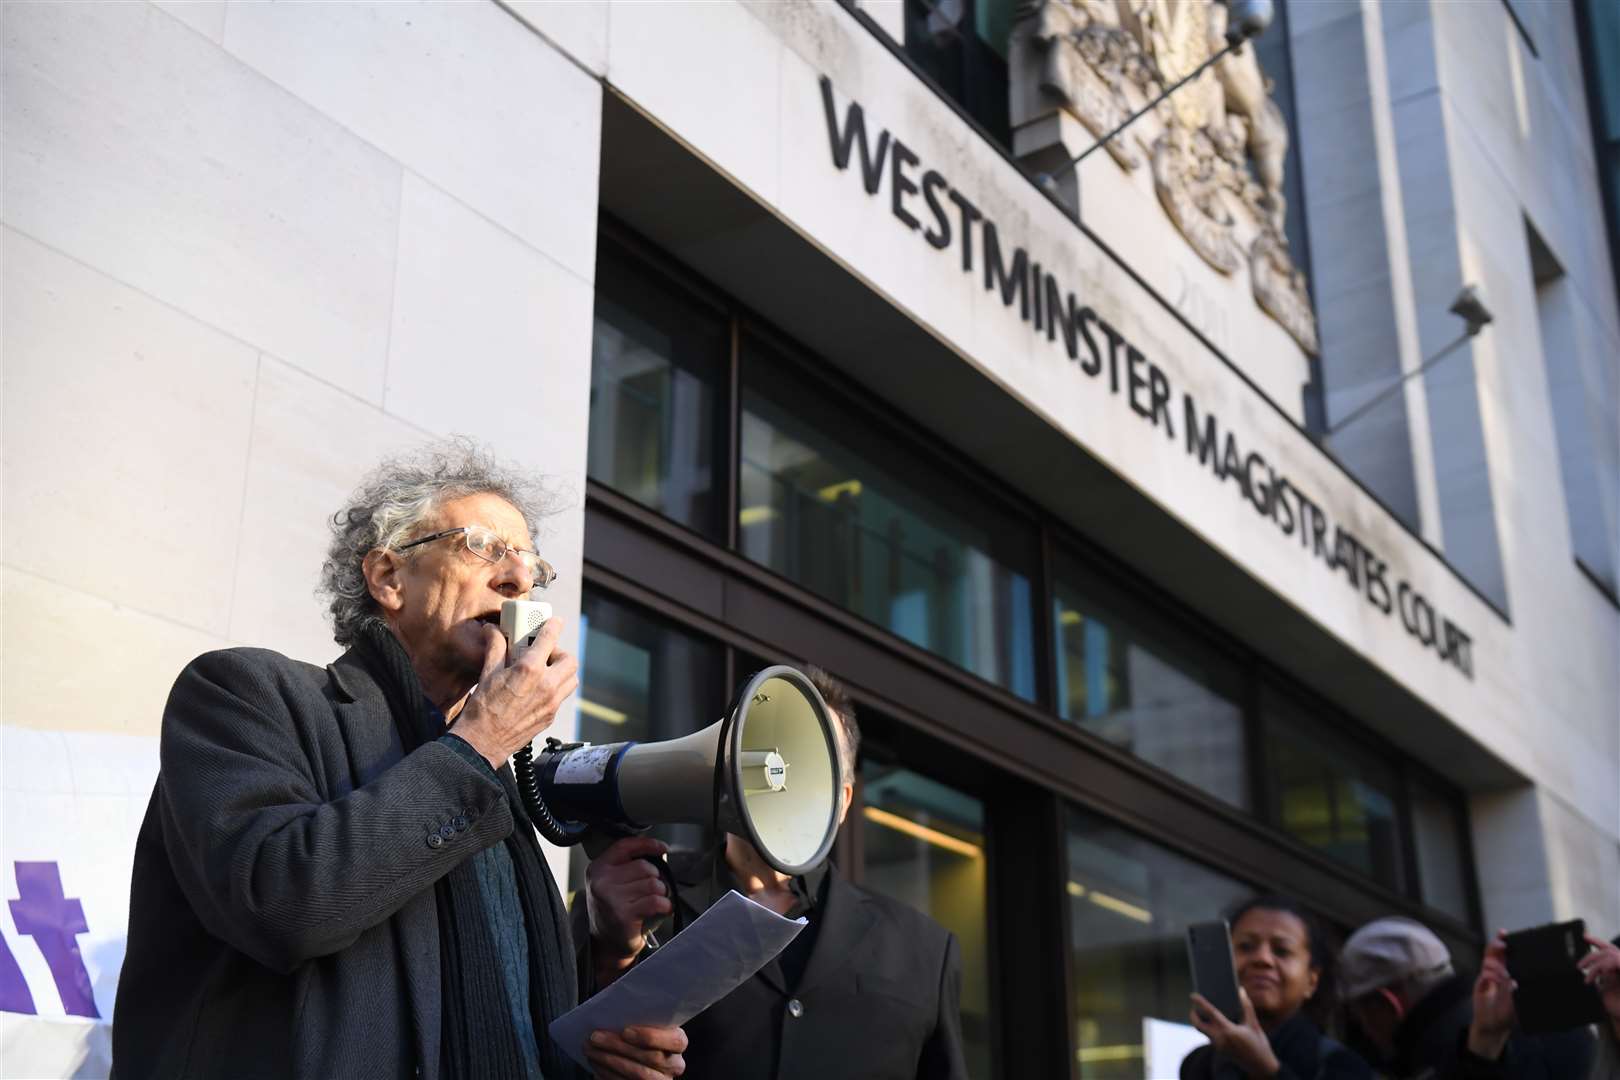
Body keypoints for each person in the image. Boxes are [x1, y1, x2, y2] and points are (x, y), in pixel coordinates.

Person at [112, 439, 687, 1080]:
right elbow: (280, 905)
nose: (519, 578)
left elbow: (495, 1012)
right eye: (484, 548)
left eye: (531, 565)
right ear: (388, 578)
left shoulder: (490, 773)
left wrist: (600, 1019)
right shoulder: (245, 694)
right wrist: (480, 741)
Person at [575, 668, 969, 1080]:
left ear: (844, 800)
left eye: (810, 762)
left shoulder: (924, 952)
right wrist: (611, 954)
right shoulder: (634, 898)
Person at [1339, 917, 1594, 1079]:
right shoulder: (1537, 1013)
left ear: (1387, 1004)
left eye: (1360, 1017)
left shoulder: (1436, 1058)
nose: (1365, 1031)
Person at [1181, 895, 1372, 1080]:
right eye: (1246, 947)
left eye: (1282, 951)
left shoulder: (1341, 1065)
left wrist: (1266, 1071)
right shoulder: (1198, 1064)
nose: (1262, 959)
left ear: (1312, 981)